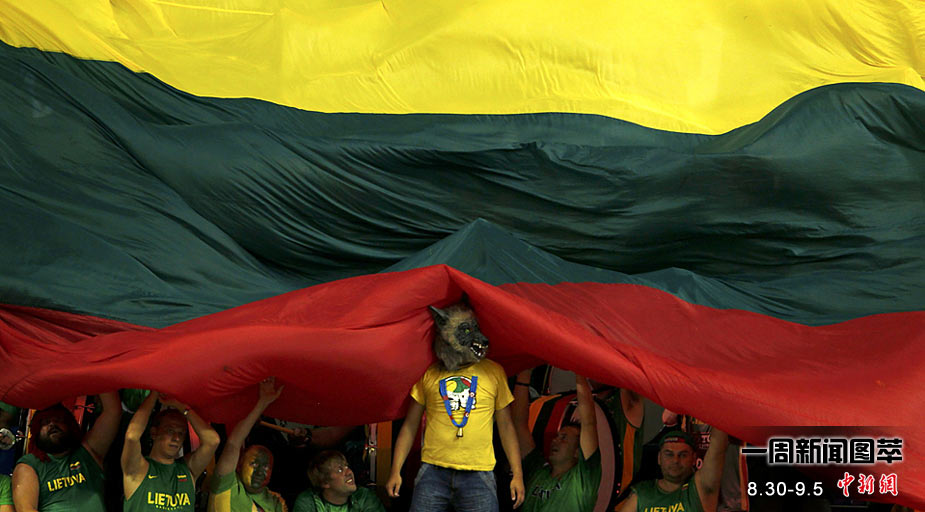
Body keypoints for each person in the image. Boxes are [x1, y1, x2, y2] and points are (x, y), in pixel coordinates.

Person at [385, 300, 525, 512]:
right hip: (433, 471)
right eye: (466, 330)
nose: (476, 335)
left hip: (479, 472)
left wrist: (518, 474)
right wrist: (395, 470)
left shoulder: (494, 372)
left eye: (475, 327)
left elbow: (506, 426)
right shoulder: (430, 374)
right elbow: (410, 425)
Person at [12, 393, 121, 512]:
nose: (52, 424)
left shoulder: (88, 450)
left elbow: (113, 411)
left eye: (58, 420)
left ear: (70, 425)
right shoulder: (29, 465)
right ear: (36, 432)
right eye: (45, 422)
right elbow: (26, 509)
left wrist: (98, 380)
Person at [513, 370, 601, 512]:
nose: (555, 440)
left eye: (564, 438)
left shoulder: (583, 479)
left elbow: (589, 422)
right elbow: (518, 424)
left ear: (577, 452)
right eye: (557, 436)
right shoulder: (537, 469)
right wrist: (524, 374)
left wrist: (579, 371)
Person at [122, 391, 220, 512]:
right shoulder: (138, 469)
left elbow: (213, 441)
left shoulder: (188, 469)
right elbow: (132, 435)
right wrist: (154, 393)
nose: (176, 438)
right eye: (170, 431)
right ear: (154, 433)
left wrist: (183, 408)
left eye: (181, 433)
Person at [209, 377, 286, 512]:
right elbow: (233, 443)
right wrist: (262, 402)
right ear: (239, 466)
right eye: (254, 464)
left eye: (266, 467)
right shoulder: (226, 484)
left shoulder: (275, 501)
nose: (260, 471)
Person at [616, 428, 729, 512]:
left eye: (683, 455)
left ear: (694, 458)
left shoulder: (701, 487)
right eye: (669, 454)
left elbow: (718, 446)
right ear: (659, 458)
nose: (675, 460)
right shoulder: (643, 493)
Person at [293, 451, 384, 512]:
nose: (349, 472)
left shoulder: (364, 497)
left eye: (347, 466)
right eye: (340, 470)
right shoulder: (308, 501)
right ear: (325, 482)